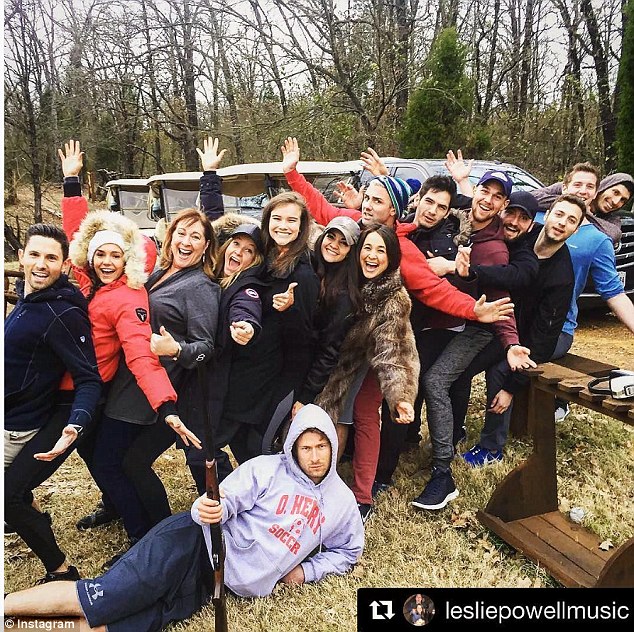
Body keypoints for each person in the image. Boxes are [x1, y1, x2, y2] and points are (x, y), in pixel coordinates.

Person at [4, 405, 364, 631]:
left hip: (212, 586)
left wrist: (308, 571)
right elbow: (224, 499)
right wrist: (212, 508)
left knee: (110, 628)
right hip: (192, 543)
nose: (315, 456)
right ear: (293, 448)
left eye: (322, 447)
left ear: (333, 446)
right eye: (306, 447)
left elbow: (348, 552)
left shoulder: (341, 503)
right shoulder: (268, 470)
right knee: (101, 598)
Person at [58, 141, 204, 552]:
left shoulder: (126, 298)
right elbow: (75, 234)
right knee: (94, 456)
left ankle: (143, 534)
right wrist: (72, 183)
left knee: (107, 459)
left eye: (115, 256)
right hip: (78, 382)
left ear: (128, 261)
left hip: (95, 386)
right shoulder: (92, 281)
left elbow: (142, 354)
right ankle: (117, 503)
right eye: (100, 254)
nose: (106, 261)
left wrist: (167, 407)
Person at [410, 170, 535, 512]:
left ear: (503, 205)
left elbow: (500, 299)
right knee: (437, 379)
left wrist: (510, 343)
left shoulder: (494, 248)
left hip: (478, 328)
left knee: (436, 381)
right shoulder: (456, 219)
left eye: (497, 197)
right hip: (447, 320)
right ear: (475, 192)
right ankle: (439, 438)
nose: (488, 200)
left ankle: (442, 474)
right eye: (485, 191)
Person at [4, 223, 102, 583]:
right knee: (13, 496)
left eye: (51, 258)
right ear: (21, 257)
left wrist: (74, 425)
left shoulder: (62, 313)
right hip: (10, 413)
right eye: (34, 254)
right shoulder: (25, 295)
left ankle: (61, 572)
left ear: (64, 265)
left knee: (7, 498)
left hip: (29, 424)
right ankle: (30, 518)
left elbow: (89, 378)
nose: (41, 264)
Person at [458, 194, 585, 466]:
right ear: (547, 214)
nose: (562, 223)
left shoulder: (560, 276)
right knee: (462, 365)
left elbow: (542, 341)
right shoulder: (526, 235)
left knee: (502, 370)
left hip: (552, 337)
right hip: (513, 329)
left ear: (576, 229)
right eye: (560, 214)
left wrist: (511, 389)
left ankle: (492, 448)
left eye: (571, 221)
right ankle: (456, 428)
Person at [315, 224, 419, 522]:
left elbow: (392, 351)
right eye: (367, 248)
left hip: (373, 361)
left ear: (392, 257)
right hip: (339, 356)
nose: (372, 256)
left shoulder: (393, 297)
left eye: (381, 250)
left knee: (361, 415)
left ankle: (362, 496)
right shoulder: (344, 273)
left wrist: (400, 397)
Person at [293, 215, 362, 413]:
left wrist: (306, 395)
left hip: (307, 374)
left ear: (350, 252)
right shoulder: (306, 265)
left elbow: (329, 350)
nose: (334, 245)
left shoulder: (344, 296)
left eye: (343, 243)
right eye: (331, 237)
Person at [532, 164, 633, 244]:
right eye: (615, 192)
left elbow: (614, 234)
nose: (616, 202)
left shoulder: (612, 218)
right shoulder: (570, 187)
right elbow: (531, 197)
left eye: (623, 200)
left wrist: (584, 213)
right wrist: (569, 202)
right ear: (604, 187)